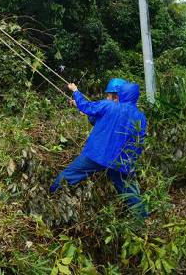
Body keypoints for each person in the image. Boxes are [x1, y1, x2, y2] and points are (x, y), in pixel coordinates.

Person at [51, 81, 148, 218]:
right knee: (130, 191)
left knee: (69, 175)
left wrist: (75, 91)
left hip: (97, 155)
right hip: (120, 162)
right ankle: (142, 219)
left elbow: (87, 107)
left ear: (119, 95)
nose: (108, 97)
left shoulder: (109, 106)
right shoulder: (141, 117)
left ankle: (50, 196)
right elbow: (139, 142)